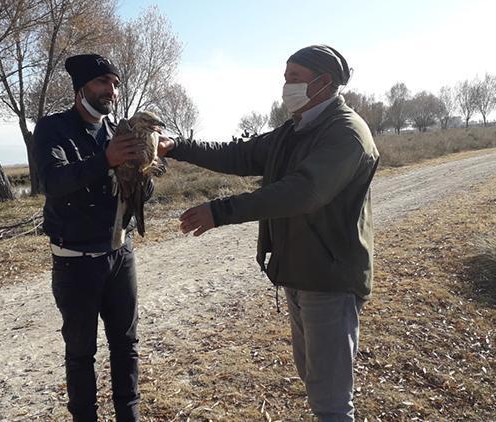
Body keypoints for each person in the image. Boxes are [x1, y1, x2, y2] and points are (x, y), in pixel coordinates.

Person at [158, 45, 379, 421]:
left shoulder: (346, 134)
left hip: (329, 278)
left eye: (295, 78)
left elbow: (303, 192)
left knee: (332, 401)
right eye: (285, 77)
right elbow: (238, 154)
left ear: (324, 83)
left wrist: (220, 211)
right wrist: (179, 146)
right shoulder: (294, 130)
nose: (285, 86)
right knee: (314, 380)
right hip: (297, 271)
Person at [33, 53, 149, 422]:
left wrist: (147, 171)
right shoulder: (52, 129)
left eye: (115, 83)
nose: (111, 91)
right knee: (81, 353)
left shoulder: (119, 131)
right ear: (80, 87)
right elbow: (52, 182)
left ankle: (128, 416)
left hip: (120, 254)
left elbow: (138, 196)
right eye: (102, 82)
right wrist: (106, 160)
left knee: (126, 345)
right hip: (75, 262)